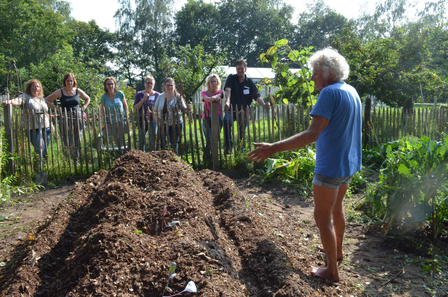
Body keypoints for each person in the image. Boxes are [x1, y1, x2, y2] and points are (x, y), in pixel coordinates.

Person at [247, 48, 362, 282]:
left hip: (330, 167)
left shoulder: (329, 93)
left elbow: (312, 134)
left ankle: (331, 271)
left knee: (322, 218)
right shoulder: (351, 91)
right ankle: (337, 252)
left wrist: (273, 148)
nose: (312, 78)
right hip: (348, 164)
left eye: (316, 73)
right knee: (337, 208)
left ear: (329, 73)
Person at [3, 79, 53, 168]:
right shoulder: (25, 96)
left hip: (46, 127)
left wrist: (51, 125)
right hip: (33, 129)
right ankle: (39, 169)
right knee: (40, 149)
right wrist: (9, 102)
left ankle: (41, 168)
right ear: (29, 88)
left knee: (44, 150)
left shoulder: (41, 99)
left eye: (37, 86)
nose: (36, 88)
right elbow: (18, 101)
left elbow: (46, 113)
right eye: (33, 86)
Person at [223, 59, 270, 154]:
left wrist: (264, 104)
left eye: (242, 68)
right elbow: (228, 90)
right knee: (226, 122)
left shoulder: (249, 82)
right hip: (232, 110)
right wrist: (227, 102)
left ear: (245, 69)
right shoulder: (231, 78)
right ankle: (228, 147)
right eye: (238, 69)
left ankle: (240, 149)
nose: (240, 70)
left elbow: (257, 96)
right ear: (236, 69)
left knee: (242, 131)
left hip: (244, 111)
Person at [45, 73, 90, 161]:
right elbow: (47, 100)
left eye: (71, 81)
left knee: (78, 137)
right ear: (65, 82)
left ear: (74, 81)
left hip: (77, 117)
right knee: (66, 137)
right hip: (65, 118)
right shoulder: (60, 92)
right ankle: (68, 159)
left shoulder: (77, 91)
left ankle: (76, 159)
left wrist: (84, 107)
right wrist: (57, 109)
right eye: (68, 81)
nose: (70, 82)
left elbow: (87, 98)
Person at [153, 78, 190, 154]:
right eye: (168, 85)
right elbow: (155, 111)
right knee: (163, 143)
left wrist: (188, 109)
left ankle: (174, 160)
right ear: (164, 86)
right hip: (163, 124)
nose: (170, 87)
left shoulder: (178, 97)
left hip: (176, 124)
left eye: (171, 85)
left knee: (174, 144)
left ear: (174, 86)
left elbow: (184, 109)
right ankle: (164, 160)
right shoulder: (160, 97)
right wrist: (158, 122)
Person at [100, 77, 129, 151]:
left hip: (121, 121)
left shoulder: (120, 94)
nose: (110, 86)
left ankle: (123, 155)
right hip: (110, 122)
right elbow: (102, 110)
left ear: (114, 85)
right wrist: (104, 122)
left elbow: (125, 106)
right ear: (105, 86)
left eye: (112, 84)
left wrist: (126, 117)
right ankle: (114, 156)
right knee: (113, 140)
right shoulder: (104, 97)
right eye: (108, 84)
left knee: (121, 140)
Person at [134, 75, 160, 151]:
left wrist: (153, 112)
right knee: (141, 141)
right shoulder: (139, 94)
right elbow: (135, 108)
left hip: (153, 120)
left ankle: (152, 158)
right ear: (144, 84)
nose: (149, 85)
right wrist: (143, 99)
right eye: (148, 83)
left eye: (151, 83)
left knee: (152, 140)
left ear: (154, 85)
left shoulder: (157, 95)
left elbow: (160, 108)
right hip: (141, 120)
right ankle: (142, 157)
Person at [201, 74, 224, 159]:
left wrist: (214, 97)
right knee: (209, 138)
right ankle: (207, 157)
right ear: (208, 83)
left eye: (215, 81)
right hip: (206, 118)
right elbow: (206, 98)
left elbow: (219, 96)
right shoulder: (203, 92)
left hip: (217, 117)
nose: (214, 83)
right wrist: (212, 98)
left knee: (215, 138)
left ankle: (211, 157)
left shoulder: (220, 92)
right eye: (212, 81)